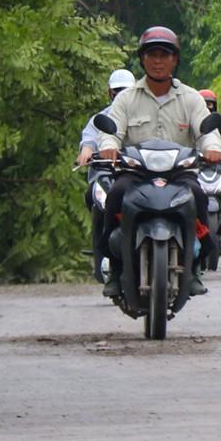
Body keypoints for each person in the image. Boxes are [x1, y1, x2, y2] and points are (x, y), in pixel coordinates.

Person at [98, 26, 221, 299]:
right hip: (135, 175)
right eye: (152, 54)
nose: (158, 61)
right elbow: (111, 131)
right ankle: (115, 266)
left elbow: (207, 132)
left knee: (200, 196)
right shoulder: (126, 98)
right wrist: (108, 147)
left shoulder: (190, 98)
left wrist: (213, 148)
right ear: (142, 59)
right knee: (115, 195)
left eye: (164, 55)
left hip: (179, 175)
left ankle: (195, 266)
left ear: (175, 60)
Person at [78, 68, 137, 281]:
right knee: (96, 199)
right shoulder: (101, 118)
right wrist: (86, 152)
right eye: (117, 91)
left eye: (126, 91)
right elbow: (89, 139)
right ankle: (103, 252)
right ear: (109, 93)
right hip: (107, 174)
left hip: (138, 174)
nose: (121, 95)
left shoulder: (143, 115)